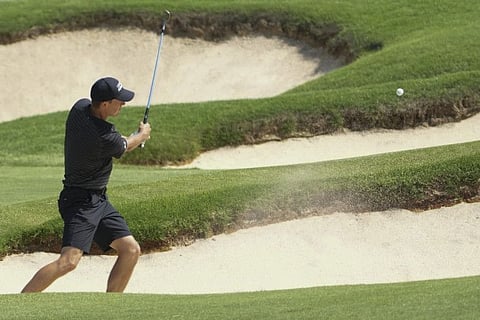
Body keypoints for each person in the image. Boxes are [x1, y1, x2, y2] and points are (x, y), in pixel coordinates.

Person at [22, 77, 151, 293]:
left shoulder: (79, 109)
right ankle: (18, 304)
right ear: (104, 104)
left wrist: (129, 139)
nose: (123, 104)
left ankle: (108, 309)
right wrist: (142, 135)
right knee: (69, 261)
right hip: (80, 202)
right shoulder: (105, 136)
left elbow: (118, 142)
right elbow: (125, 145)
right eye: (118, 100)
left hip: (98, 200)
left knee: (130, 249)